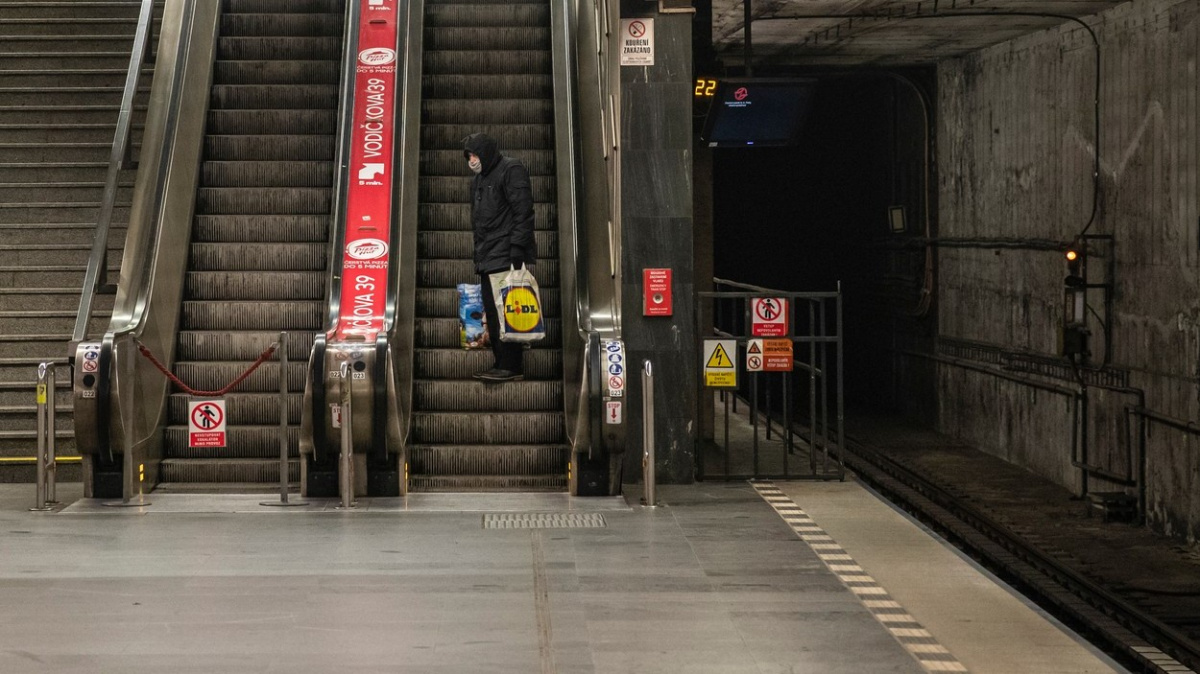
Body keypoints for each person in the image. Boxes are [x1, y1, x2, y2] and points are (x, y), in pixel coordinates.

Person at [462, 132, 536, 383]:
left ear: (487, 152)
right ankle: (501, 362)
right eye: (469, 156)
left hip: (505, 254)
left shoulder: (511, 169)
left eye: (475, 154)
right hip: (487, 255)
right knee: (494, 314)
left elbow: (523, 210)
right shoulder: (479, 180)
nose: (472, 160)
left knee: (507, 311)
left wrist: (517, 247)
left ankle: (511, 364)